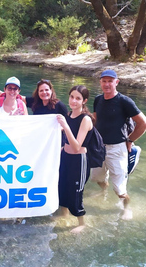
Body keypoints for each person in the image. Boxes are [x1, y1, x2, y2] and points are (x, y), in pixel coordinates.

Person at [91, 69, 146, 220]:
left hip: (117, 149)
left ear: (116, 82)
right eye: (104, 81)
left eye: (110, 81)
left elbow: (144, 123)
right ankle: (104, 191)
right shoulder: (98, 99)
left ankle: (126, 208)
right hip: (99, 148)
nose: (107, 84)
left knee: (120, 189)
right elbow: (96, 120)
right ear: (100, 83)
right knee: (97, 178)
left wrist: (129, 140)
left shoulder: (124, 101)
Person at [56, 85, 94, 233]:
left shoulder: (85, 119)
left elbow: (77, 146)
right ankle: (63, 213)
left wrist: (65, 126)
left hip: (79, 161)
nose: (73, 101)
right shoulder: (69, 115)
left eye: (78, 98)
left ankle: (81, 222)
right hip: (65, 157)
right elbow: (65, 139)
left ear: (84, 101)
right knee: (62, 185)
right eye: (72, 97)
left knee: (76, 191)